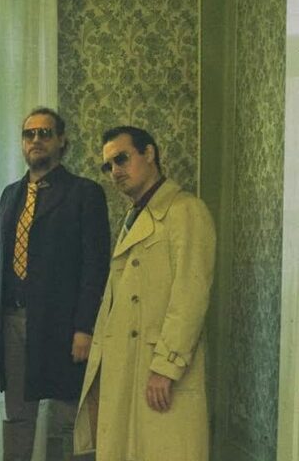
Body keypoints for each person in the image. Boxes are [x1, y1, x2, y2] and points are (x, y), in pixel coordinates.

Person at [74, 126, 216, 460]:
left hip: (158, 369)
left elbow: (191, 296)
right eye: (108, 165)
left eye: (121, 159)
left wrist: (167, 367)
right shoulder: (136, 215)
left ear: (149, 153)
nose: (115, 171)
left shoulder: (186, 211)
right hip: (129, 366)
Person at [0, 107, 111, 461]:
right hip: (12, 321)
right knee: (17, 416)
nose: (36, 140)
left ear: (61, 141)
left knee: (67, 418)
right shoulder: (11, 194)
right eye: (29, 134)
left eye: (45, 133)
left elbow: (95, 268)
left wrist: (85, 327)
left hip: (63, 325)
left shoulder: (85, 193)